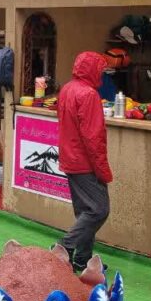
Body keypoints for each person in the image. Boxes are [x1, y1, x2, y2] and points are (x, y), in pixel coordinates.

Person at [57, 52, 113, 272]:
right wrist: (103, 170)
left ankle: (83, 259)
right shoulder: (89, 95)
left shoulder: (67, 89)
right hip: (84, 161)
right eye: (101, 69)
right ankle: (65, 246)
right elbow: (94, 138)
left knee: (85, 211)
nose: (102, 74)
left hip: (70, 158)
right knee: (99, 210)